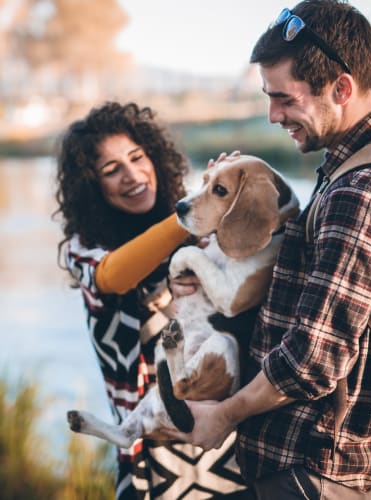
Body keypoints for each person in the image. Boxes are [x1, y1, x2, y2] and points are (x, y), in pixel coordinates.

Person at [166, 1, 371, 498]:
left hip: (310, 468)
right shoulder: (359, 164)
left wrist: (223, 415)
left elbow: (312, 360)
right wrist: (229, 208)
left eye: (284, 99)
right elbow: (304, 286)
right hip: (304, 463)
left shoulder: (362, 193)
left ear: (341, 88)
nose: (272, 115)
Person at [55, 101, 249, 499]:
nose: (132, 175)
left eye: (137, 157)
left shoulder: (201, 236)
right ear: (93, 187)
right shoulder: (86, 250)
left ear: (154, 157)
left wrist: (229, 194)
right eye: (111, 171)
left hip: (224, 442)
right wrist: (192, 213)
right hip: (151, 456)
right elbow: (112, 275)